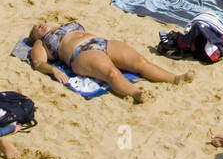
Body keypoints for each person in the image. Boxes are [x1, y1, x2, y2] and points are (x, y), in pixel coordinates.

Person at [27, 22, 194, 101]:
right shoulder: (41, 43)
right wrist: (53, 70)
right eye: (36, 29)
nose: (40, 26)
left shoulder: (62, 25)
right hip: (81, 53)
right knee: (111, 73)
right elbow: (38, 63)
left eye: (40, 24)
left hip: (102, 42)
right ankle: (135, 93)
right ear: (35, 37)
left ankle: (175, 78)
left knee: (141, 62)